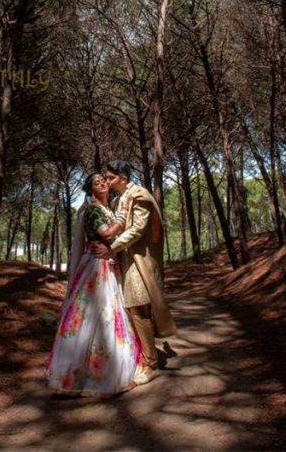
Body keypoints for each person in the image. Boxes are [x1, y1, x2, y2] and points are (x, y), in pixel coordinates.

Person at [45, 171, 148, 396]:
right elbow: (107, 234)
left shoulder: (107, 208)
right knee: (91, 316)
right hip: (95, 268)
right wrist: (122, 217)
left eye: (103, 181)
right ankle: (78, 377)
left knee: (110, 315)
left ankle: (110, 372)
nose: (101, 184)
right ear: (90, 189)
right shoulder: (92, 209)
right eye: (96, 183)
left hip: (107, 265)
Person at [88, 160, 177, 385]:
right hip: (125, 261)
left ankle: (150, 365)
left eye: (110, 178)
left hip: (140, 261)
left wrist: (111, 248)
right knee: (132, 311)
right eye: (105, 178)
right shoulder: (120, 199)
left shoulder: (139, 195)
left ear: (123, 178)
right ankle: (143, 358)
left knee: (139, 309)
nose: (107, 182)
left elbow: (137, 229)